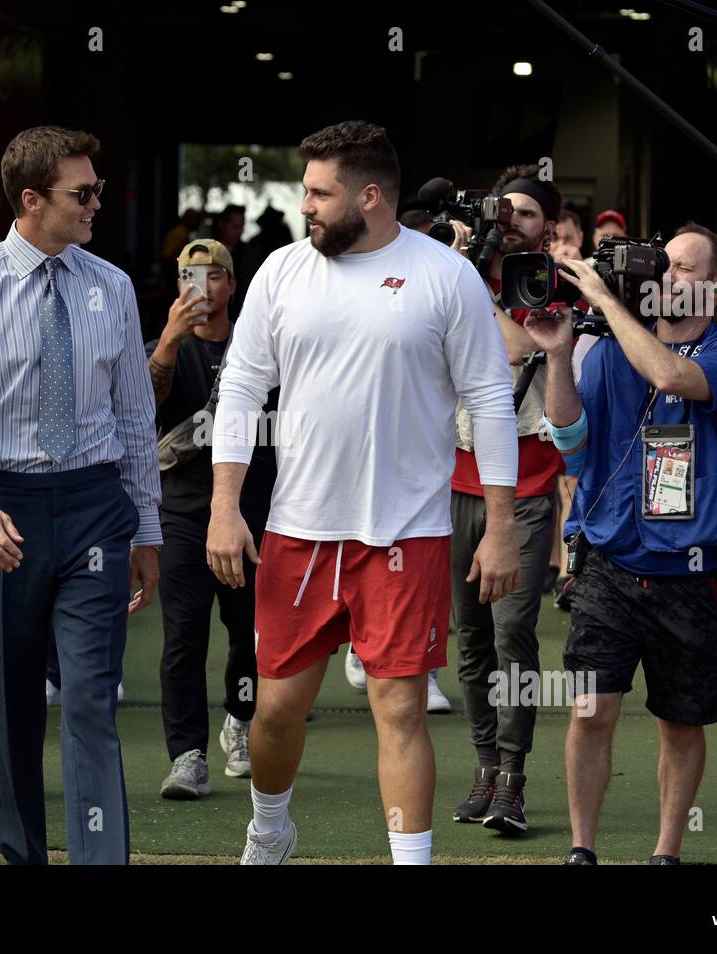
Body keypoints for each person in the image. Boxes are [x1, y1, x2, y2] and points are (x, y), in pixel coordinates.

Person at [208, 121, 519, 865]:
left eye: (319, 192)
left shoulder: (446, 278)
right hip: (298, 530)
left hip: (407, 534)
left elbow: (492, 398)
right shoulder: (282, 271)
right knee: (278, 708)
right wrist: (225, 506)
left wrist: (502, 525)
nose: (304, 205)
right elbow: (243, 387)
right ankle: (270, 825)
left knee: (401, 708)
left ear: (370, 196)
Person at [0, 125, 162, 865]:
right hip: (3, 509)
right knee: (14, 701)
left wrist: (146, 527)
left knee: (90, 695)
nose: (96, 204)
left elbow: (133, 417)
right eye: (80, 194)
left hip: (94, 507)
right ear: (31, 200)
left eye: (97, 190)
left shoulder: (111, 286)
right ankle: (23, 856)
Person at [524, 222, 717, 865]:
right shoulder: (604, 352)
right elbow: (571, 446)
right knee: (589, 711)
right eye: (664, 263)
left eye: (683, 267)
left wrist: (604, 302)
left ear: (716, 288)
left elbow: (675, 377)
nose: (666, 274)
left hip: (692, 571)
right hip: (610, 560)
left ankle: (666, 853)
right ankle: (582, 849)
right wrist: (555, 355)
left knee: (680, 723)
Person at [449, 164, 567, 834]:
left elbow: (523, 348)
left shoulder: (546, 283)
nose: (510, 222)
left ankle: (515, 778)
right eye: (504, 210)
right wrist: (460, 262)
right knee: (469, 638)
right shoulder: (460, 273)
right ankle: (485, 766)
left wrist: (475, 285)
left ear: (547, 224)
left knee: (512, 633)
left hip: (523, 488)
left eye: (525, 213)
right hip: (458, 481)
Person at [146, 239, 276, 799]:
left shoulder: (259, 348)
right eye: (189, 276)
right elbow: (141, 413)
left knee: (249, 636)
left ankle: (240, 722)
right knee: (183, 636)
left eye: (215, 275)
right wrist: (170, 342)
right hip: (182, 513)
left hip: (252, 513)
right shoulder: (163, 348)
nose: (202, 286)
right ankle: (188, 754)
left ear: (233, 285)